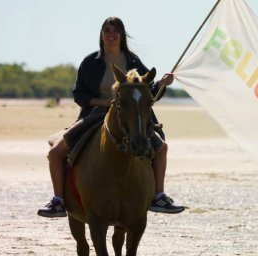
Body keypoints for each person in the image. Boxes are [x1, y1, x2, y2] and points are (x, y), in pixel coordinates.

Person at [37, 17, 184, 218]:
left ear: (122, 35)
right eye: (106, 30)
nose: (110, 34)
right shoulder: (91, 62)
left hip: (129, 117)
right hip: (95, 115)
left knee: (162, 149)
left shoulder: (133, 61)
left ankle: (159, 196)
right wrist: (104, 103)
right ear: (101, 35)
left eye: (115, 30)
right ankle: (58, 201)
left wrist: (162, 84)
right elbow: (79, 95)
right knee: (55, 153)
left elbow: (146, 92)